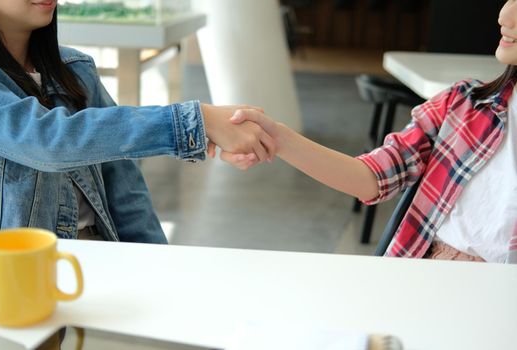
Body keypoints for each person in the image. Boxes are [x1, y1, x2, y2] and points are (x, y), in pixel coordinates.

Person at [217, 1, 517, 264]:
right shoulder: (463, 105)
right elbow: (371, 178)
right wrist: (278, 138)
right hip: (423, 282)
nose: (505, 15)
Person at [0, 0, 275, 243]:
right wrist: (197, 121)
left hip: (102, 261)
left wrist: (158, 268)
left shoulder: (76, 70)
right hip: (20, 276)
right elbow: (49, 139)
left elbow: (126, 190)